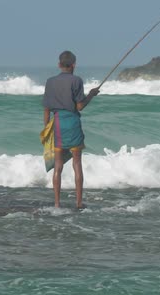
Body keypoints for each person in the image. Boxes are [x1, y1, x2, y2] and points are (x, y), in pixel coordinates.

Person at [42, 50, 99, 209]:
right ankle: (79, 203)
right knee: (77, 164)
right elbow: (80, 106)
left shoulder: (50, 81)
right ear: (74, 65)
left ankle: (57, 204)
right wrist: (91, 95)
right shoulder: (77, 80)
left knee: (58, 166)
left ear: (59, 65)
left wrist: (47, 130)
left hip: (58, 124)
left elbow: (46, 110)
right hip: (73, 123)